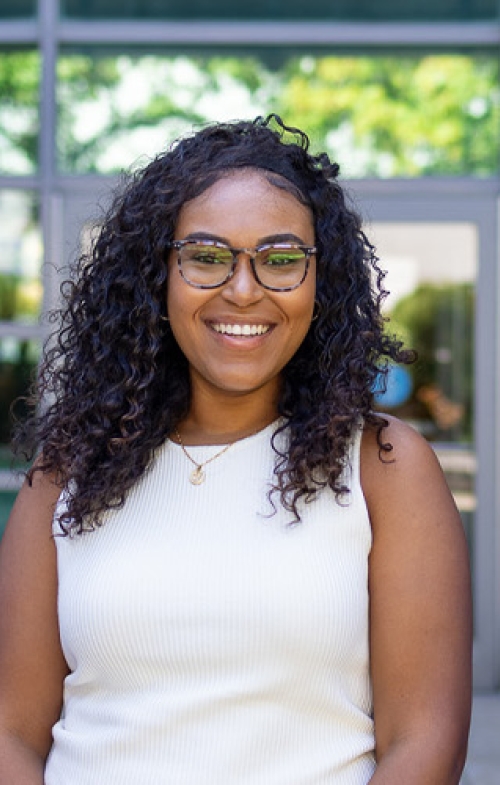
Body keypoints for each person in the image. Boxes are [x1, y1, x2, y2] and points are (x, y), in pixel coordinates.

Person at [0, 115, 472, 784]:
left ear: (321, 282)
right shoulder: (70, 468)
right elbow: (10, 732)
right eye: (207, 256)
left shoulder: (382, 466)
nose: (243, 288)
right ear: (157, 274)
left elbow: (424, 742)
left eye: (280, 258)